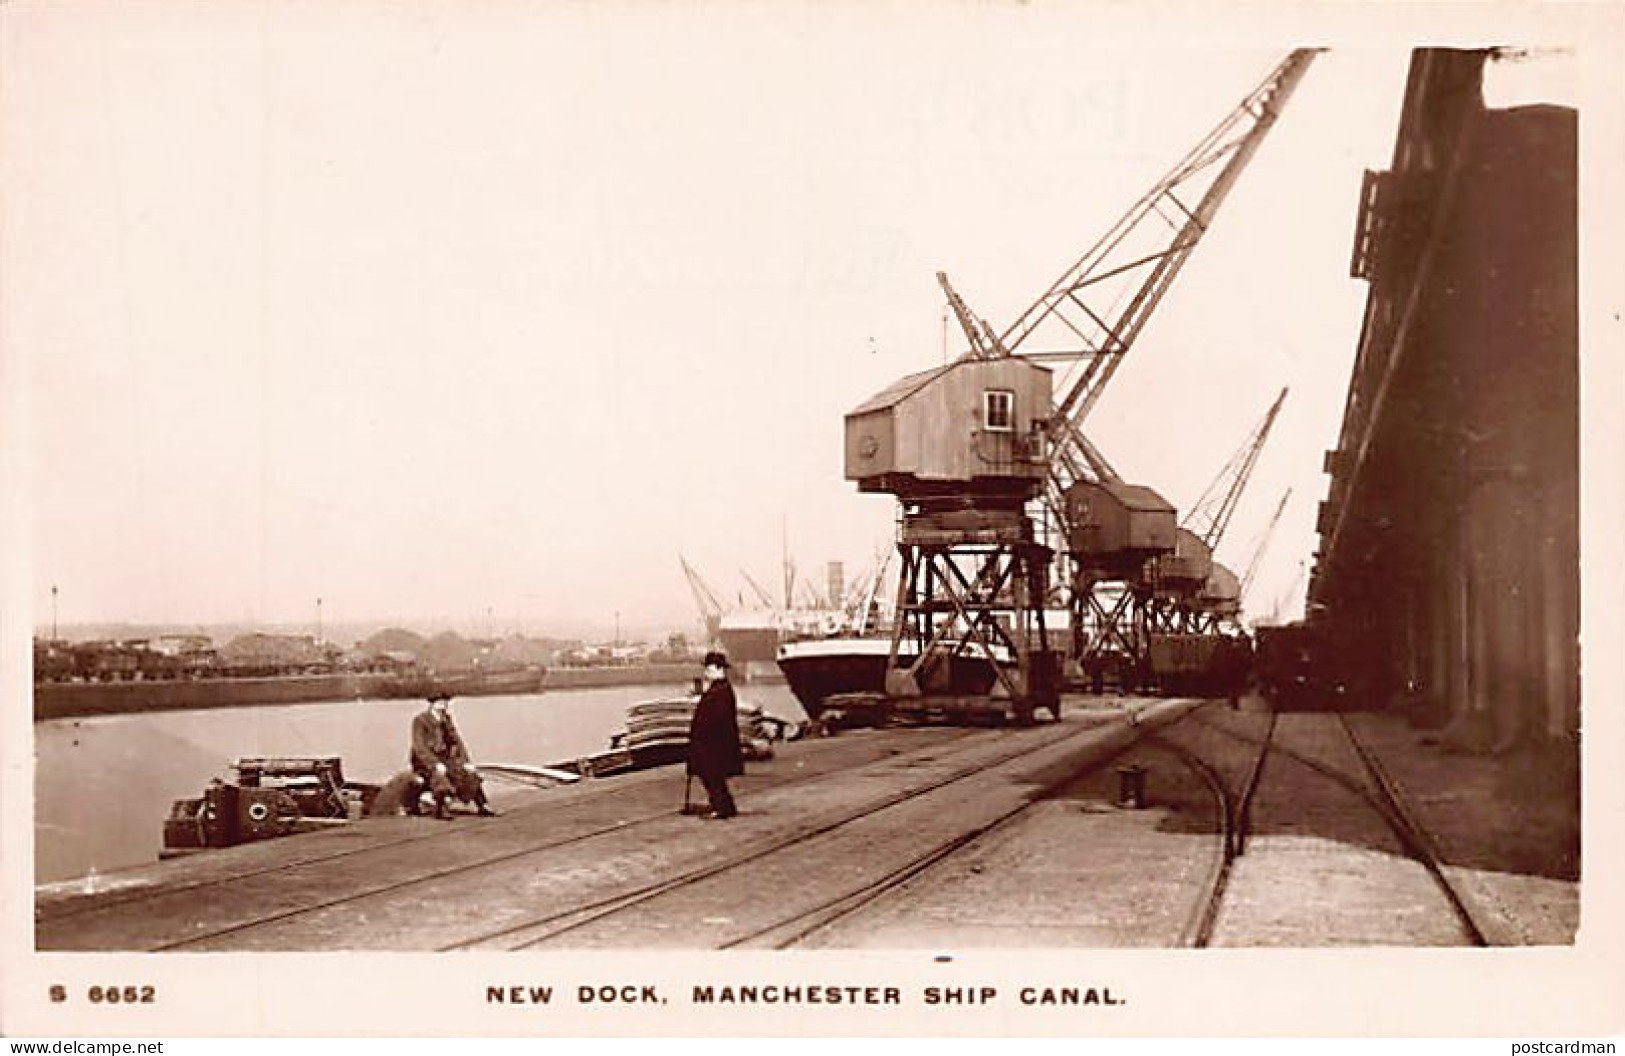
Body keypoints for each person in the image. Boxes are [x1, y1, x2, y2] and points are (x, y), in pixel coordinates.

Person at [409, 692, 497, 819]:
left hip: (445, 758)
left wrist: (466, 762)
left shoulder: (446, 720)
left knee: (468, 774)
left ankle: (483, 805)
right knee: (439, 777)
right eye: (440, 702)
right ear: (432, 704)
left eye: (445, 702)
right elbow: (419, 747)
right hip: (424, 762)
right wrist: (434, 764)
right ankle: (441, 808)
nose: (443, 704)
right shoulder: (420, 720)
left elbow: (457, 742)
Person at [686, 650, 743, 820]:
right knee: (712, 776)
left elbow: (717, 718)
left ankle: (721, 808)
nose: (706, 673)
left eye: (709, 670)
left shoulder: (720, 691)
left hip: (714, 743)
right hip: (712, 742)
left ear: (719, 670)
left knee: (712, 775)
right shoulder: (719, 689)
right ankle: (724, 805)